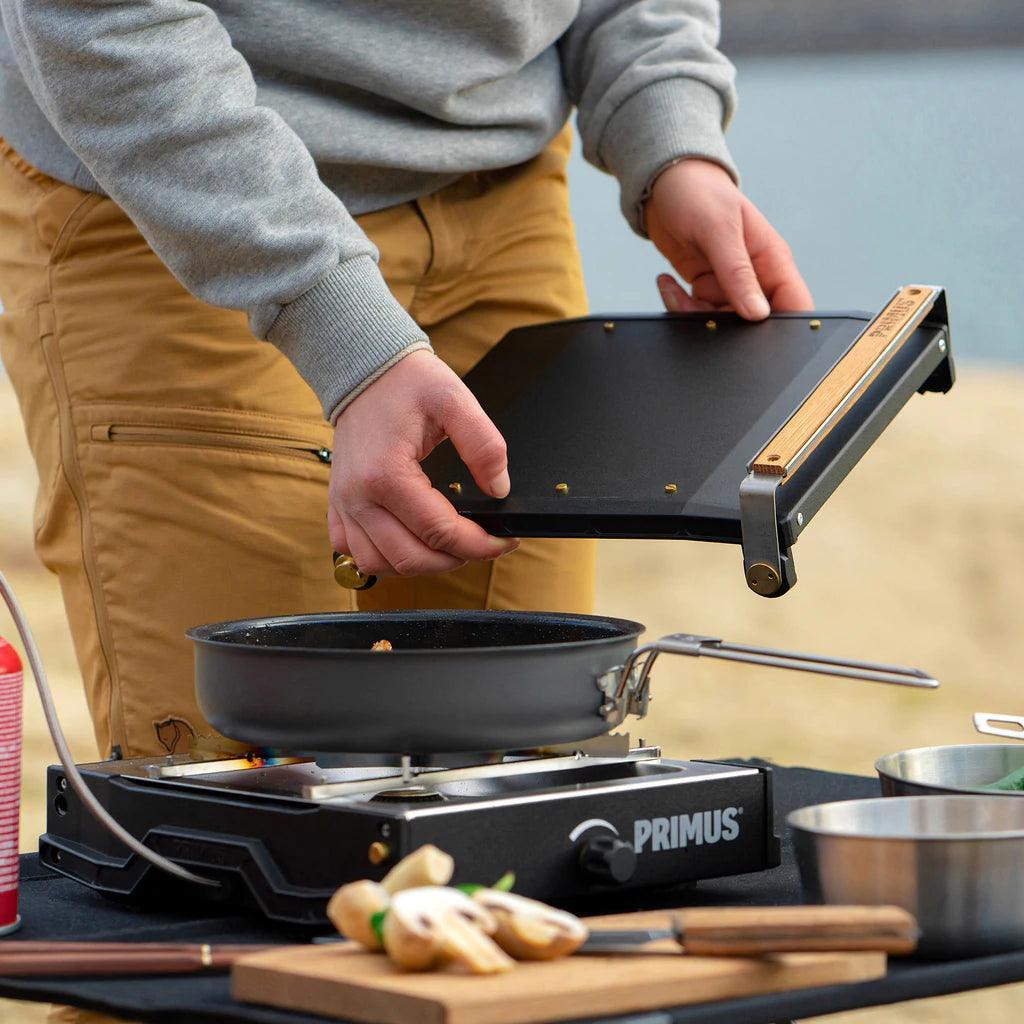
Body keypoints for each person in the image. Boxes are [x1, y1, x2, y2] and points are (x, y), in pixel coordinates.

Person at [0, 1, 811, 769]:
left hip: (506, 186)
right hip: (184, 198)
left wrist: (670, 135)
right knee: (254, 807)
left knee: (532, 784)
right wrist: (340, 326)